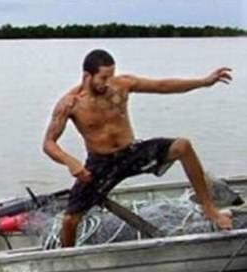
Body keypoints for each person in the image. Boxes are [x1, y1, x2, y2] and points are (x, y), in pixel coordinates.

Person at [42, 49, 233, 248]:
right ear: (87, 76)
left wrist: (204, 82)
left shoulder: (122, 85)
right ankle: (68, 259)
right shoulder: (70, 104)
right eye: (103, 77)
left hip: (132, 152)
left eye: (111, 76)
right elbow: (48, 144)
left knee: (182, 146)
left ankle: (209, 208)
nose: (108, 82)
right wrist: (70, 162)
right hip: (100, 163)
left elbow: (163, 86)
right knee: (69, 221)